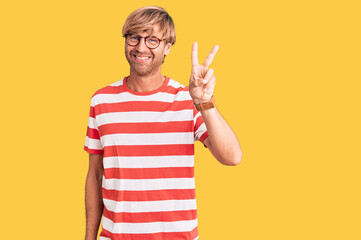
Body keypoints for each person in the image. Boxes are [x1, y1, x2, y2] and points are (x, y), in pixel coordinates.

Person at [84, 6, 242, 240]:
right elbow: (95, 176)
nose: (141, 47)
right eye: (134, 37)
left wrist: (205, 102)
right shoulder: (101, 101)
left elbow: (232, 157)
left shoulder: (188, 99)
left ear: (168, 46)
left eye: (152, 40)